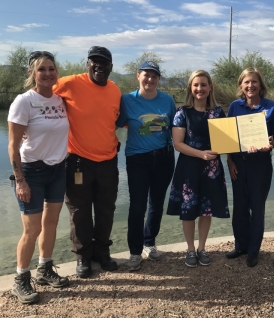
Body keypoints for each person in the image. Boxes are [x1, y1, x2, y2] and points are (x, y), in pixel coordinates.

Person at [53, 46, 121, 278]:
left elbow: (114, 121)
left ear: (111, 67)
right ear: (88, 64)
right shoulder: (70, 83)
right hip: (78, 161)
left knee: (106, 210)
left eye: (104, 62)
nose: (99, 66)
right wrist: (27, 127)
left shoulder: (115, 90)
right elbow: (39, 94)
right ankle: (83, 256)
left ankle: (102, 253)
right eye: (94, 62)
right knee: (79, 211)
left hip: (109, 161)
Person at [8, 51, 70, 304]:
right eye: (42, 69)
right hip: (32, 171)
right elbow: (12, 145)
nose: (47, 73)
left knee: (51, 222)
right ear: (32, 73)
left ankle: (44, 269)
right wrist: (19, 179)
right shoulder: (23, 102)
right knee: (31, 229)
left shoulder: (60, 100)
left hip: (58, 169)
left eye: (51, 68)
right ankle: (21, 278)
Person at [116, 61, 176, 271]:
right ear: (138, 76)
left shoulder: (168, 100)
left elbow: (177, 128)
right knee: (137, 205)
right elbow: (111, 124)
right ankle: (134, 251)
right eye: (146, 75)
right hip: (137, 159)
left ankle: (149, 243)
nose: (150, 79)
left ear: (159, 79)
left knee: (157, 203)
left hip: (164, 158)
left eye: (154, 76)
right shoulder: (126, 101)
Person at [167, 70, 230, 267]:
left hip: (211, 168)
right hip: (189, 167)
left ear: (210, 87)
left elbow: (227, 141)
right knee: (189, 209)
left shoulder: (218, 112)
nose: (199, 89)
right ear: (190, 88)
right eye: (196, 85)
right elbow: (178, 144)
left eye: (203, 85)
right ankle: (190, 249)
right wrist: (201, 154)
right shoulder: (182, 112)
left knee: (206, 209)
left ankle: (202, 248)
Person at [224, 68, 274, 267]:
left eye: (254, 82)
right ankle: (240, 245)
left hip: (260, 164)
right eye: (246, 82)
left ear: (261, 84)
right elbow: (228, 137)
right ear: (241, 85)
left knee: (256, 208)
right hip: (238, 164)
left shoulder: (272, 107)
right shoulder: (234, 107)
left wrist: (270, 144)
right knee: (239, 207)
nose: (250, 86)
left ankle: (253, 250)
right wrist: (230, 161)